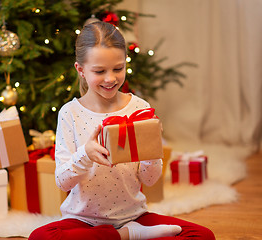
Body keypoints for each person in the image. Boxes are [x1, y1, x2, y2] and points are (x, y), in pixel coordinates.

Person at [29, 21, 215, 240]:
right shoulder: (69, 113)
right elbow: (63, 182)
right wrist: (85, 155)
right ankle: (128, 236)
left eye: (118, 69)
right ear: (80, 70)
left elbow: (150, 180)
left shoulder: (140, 108)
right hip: (82, 221)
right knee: (40, 237)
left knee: (202, 235)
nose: (110, 78)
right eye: (99, 71)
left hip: (134, 216)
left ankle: (124, 233)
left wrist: (152, 148)